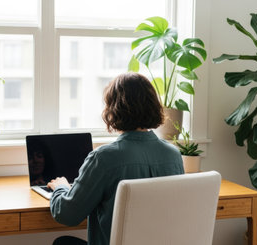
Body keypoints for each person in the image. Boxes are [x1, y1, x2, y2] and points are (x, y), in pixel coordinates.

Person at [47, 72, 184, 245]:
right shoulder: (173, 155)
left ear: (113, 110)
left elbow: (67, 215)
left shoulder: (104, 158)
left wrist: (61, 188)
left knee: (62, 242)